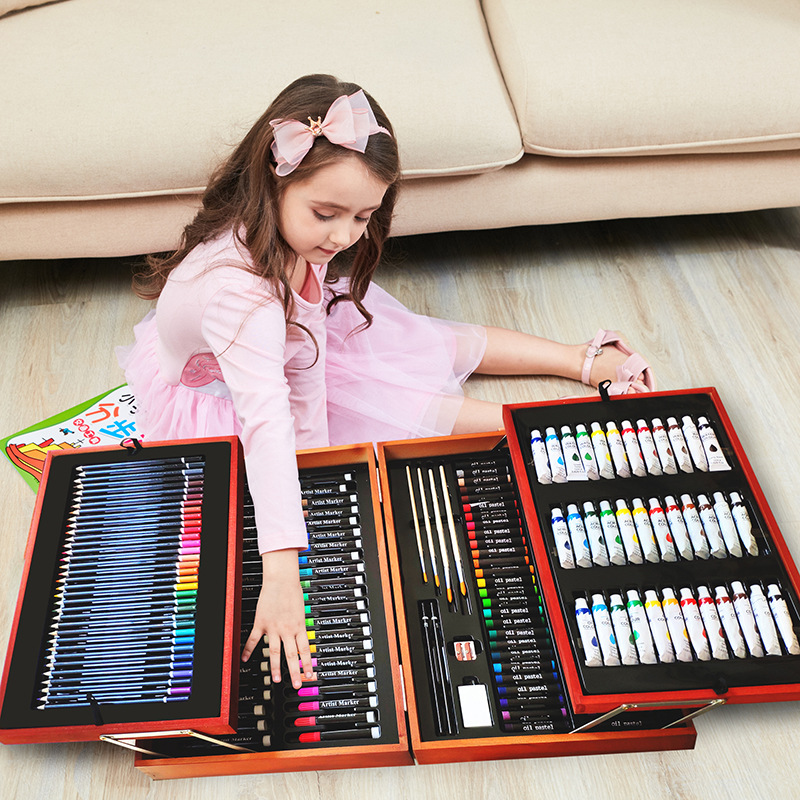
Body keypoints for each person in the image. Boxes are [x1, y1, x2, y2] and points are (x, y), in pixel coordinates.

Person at [119, 73, 655, 690]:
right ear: (274, 180)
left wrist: (316, 464)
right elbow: (266, 423)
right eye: (326, 214)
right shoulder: (239, 302)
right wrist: (284, 570)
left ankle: (575, 359)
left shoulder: (297, 247)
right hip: (222, 395)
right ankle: (564, 428)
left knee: (409, 346)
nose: (345, 237)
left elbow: (307, 371)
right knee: (393, 400)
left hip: (282, 347)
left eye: (363, 217)